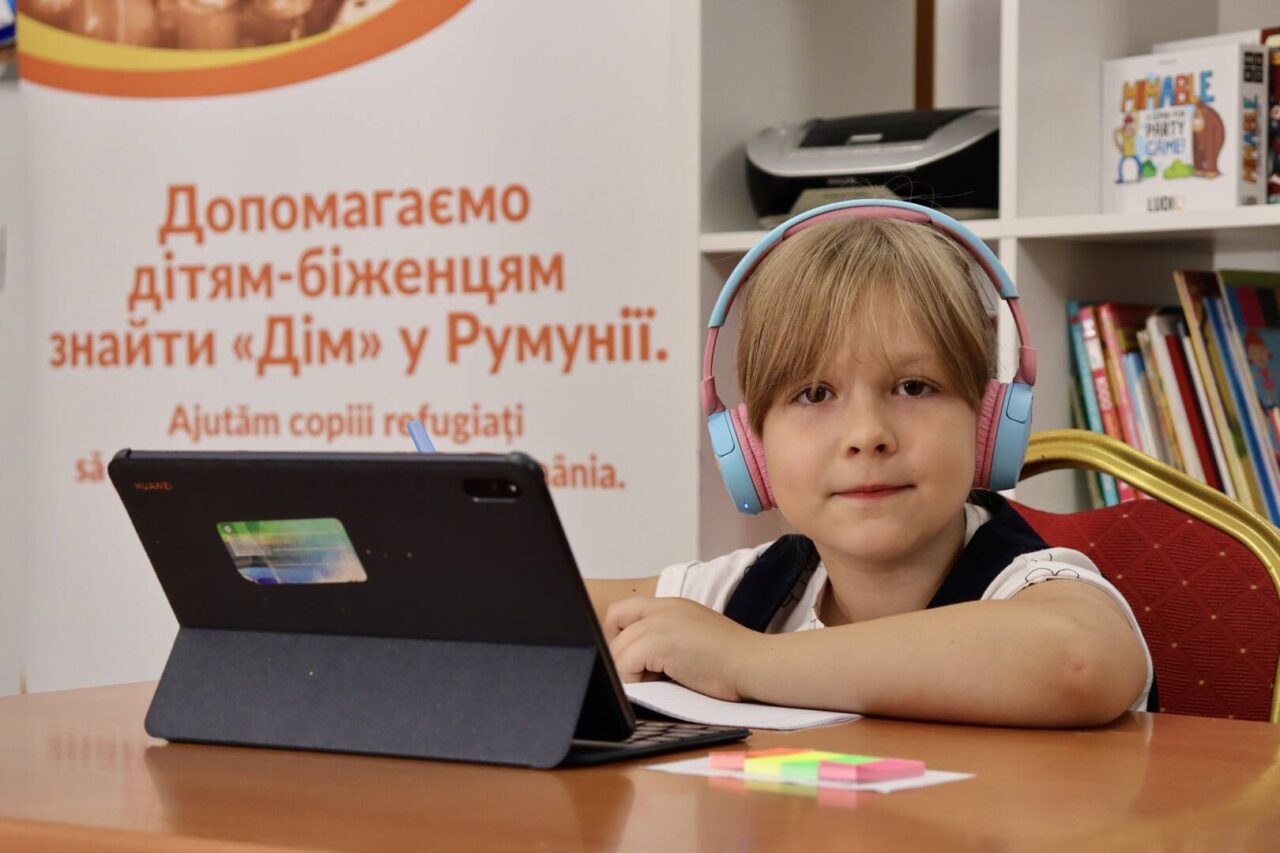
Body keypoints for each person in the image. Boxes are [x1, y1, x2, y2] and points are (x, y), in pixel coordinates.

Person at [587, 202, 1151, 727]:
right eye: (813, 394)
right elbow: (540, 608)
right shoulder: (751, 589)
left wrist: (744, 661)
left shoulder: (1028, 583)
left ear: (987, 422)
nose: (867, 436)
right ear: (753, 445)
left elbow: (1077, 663)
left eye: (913, 386)